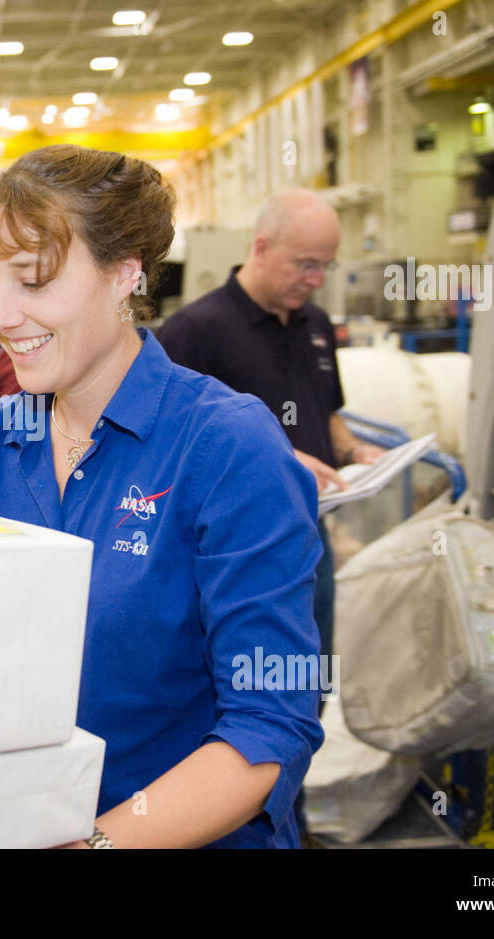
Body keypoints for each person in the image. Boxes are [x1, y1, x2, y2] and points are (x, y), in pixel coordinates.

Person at [0, 145, 324, 848]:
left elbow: (269, 720)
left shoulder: (226, 446)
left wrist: (100, 843)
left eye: (33, 279)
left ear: (124, 275)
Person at [157, 189, 383, 666]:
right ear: (261, 249)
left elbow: (326, 413)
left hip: (309, 534)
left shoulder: (316, 325)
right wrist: (277, 459)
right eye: (305, 264)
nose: (316, 279)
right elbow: (165, 439)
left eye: (326, 266)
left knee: (310, 667)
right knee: (246, 673)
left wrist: (354, 450)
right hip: (234, 545)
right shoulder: (195, 331)